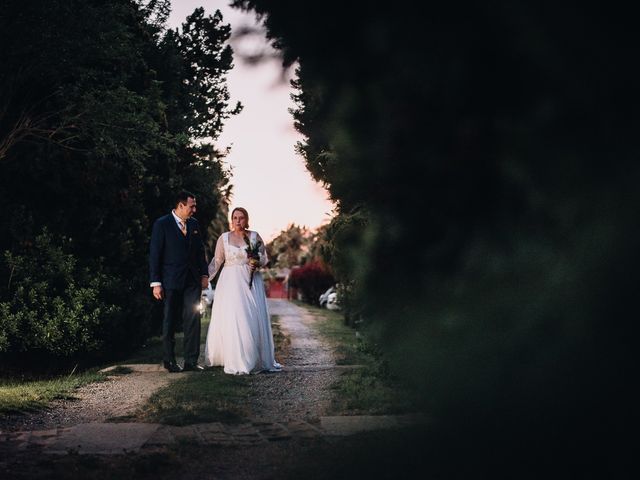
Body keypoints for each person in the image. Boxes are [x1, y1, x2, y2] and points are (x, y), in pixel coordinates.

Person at [204, 207, 282, 374]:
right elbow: (217, 262)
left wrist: (257, 262)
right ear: (231, 220)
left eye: (241, 217)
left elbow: (264, 257)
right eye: (235, 217)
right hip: (230, 283)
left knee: (251, 316)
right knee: (235, 316)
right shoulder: (223, 238)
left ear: (247, 220)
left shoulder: (254, 236)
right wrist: (205, 278)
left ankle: (253, 357)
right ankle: (235, 358)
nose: (238, 220)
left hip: (251, 281)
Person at [149, 191, 209, 372]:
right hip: (170, 281)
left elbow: (200, 252)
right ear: (181, 206)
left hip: (192, 280)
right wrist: (155, 282)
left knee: (193, 319)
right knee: (170, 320)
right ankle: (169, 361)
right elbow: (155, 254)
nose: (194, 210)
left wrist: (204, 275)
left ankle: (191, 361)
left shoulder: (194, 224)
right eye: (192, 206)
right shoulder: (162, 224)